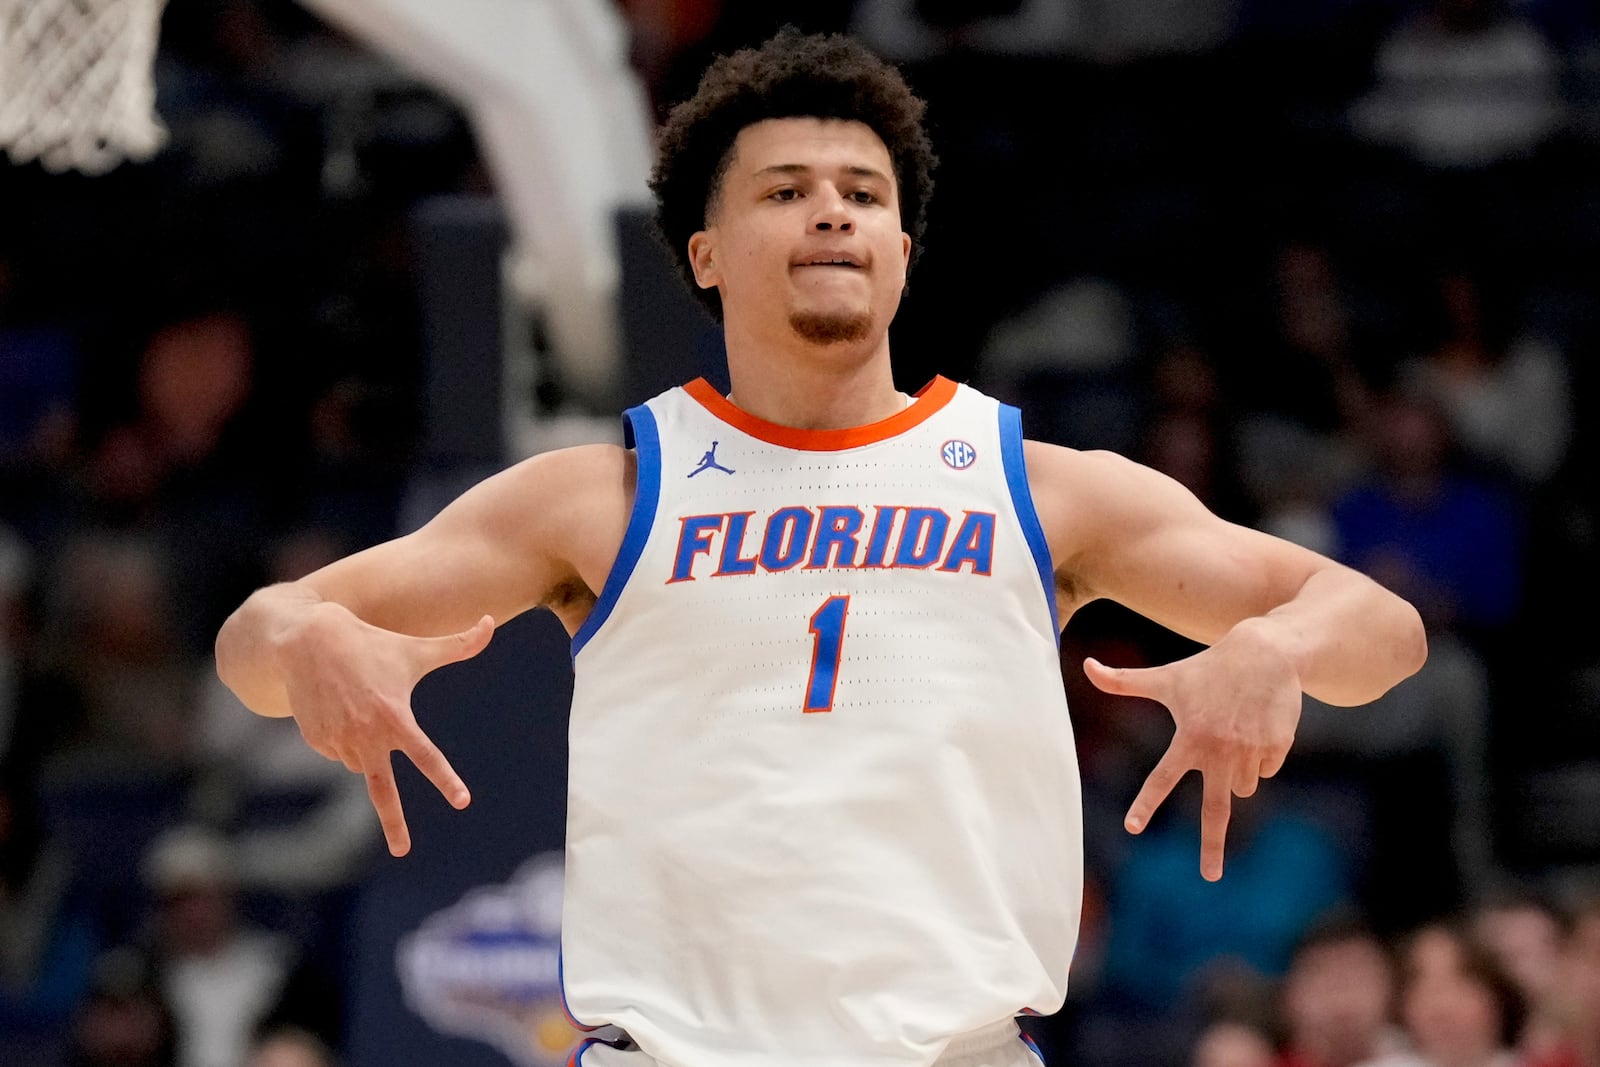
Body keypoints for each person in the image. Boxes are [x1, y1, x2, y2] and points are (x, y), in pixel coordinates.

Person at [213, 28, 1427, 1067]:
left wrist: (1274, 644)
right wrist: (310, 635)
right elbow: (257, 636)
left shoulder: (1046, 489)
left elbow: (1379, 630)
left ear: (902, 250)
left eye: (863, 190)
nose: (832, 208)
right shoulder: (598, 494)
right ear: (704, 252)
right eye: (784, 189)